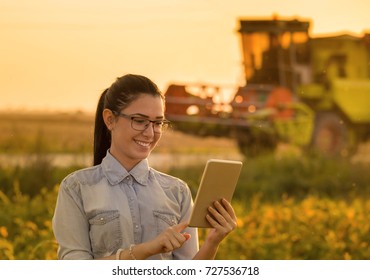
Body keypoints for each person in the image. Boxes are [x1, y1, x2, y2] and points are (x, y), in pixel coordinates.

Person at [52, 74, 237, 260]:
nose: (150, 133)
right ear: (110, 119)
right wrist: (147, 249)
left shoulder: (177, 192)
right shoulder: (77, 187)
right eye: (139, 121)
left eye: (157, 123)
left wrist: (213, 241)